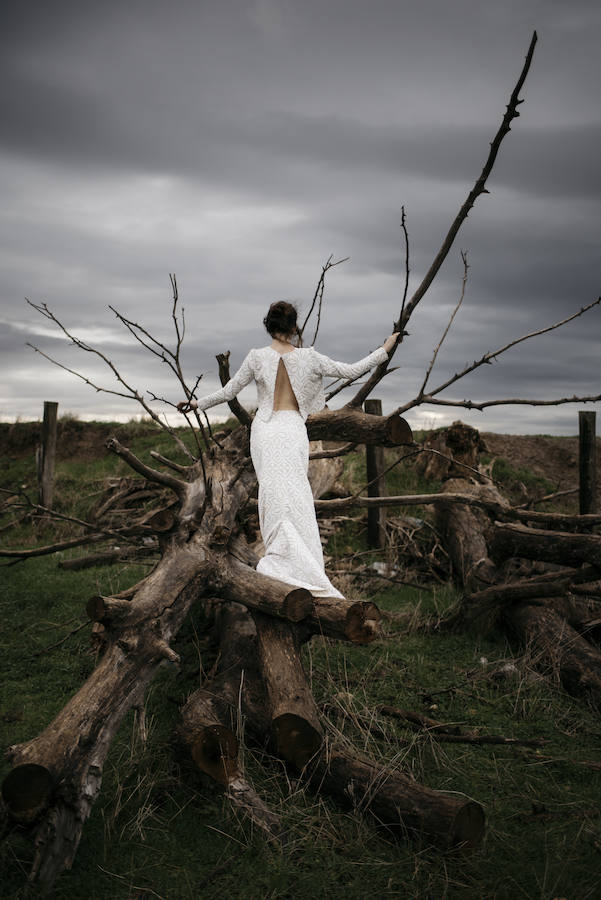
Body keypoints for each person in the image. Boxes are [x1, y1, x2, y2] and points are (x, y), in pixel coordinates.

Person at [178, 301, 399, 599]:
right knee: (295, 494)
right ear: (295, 328)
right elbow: (351, 371)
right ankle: (299, 566)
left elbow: (229, 391)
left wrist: (196, 403)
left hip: (265, 432)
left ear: (268, 326)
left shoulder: (256, 357)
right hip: (292, 431)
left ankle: (283, 561)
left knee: (273, 494)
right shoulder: (310, 358)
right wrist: (384, 349)